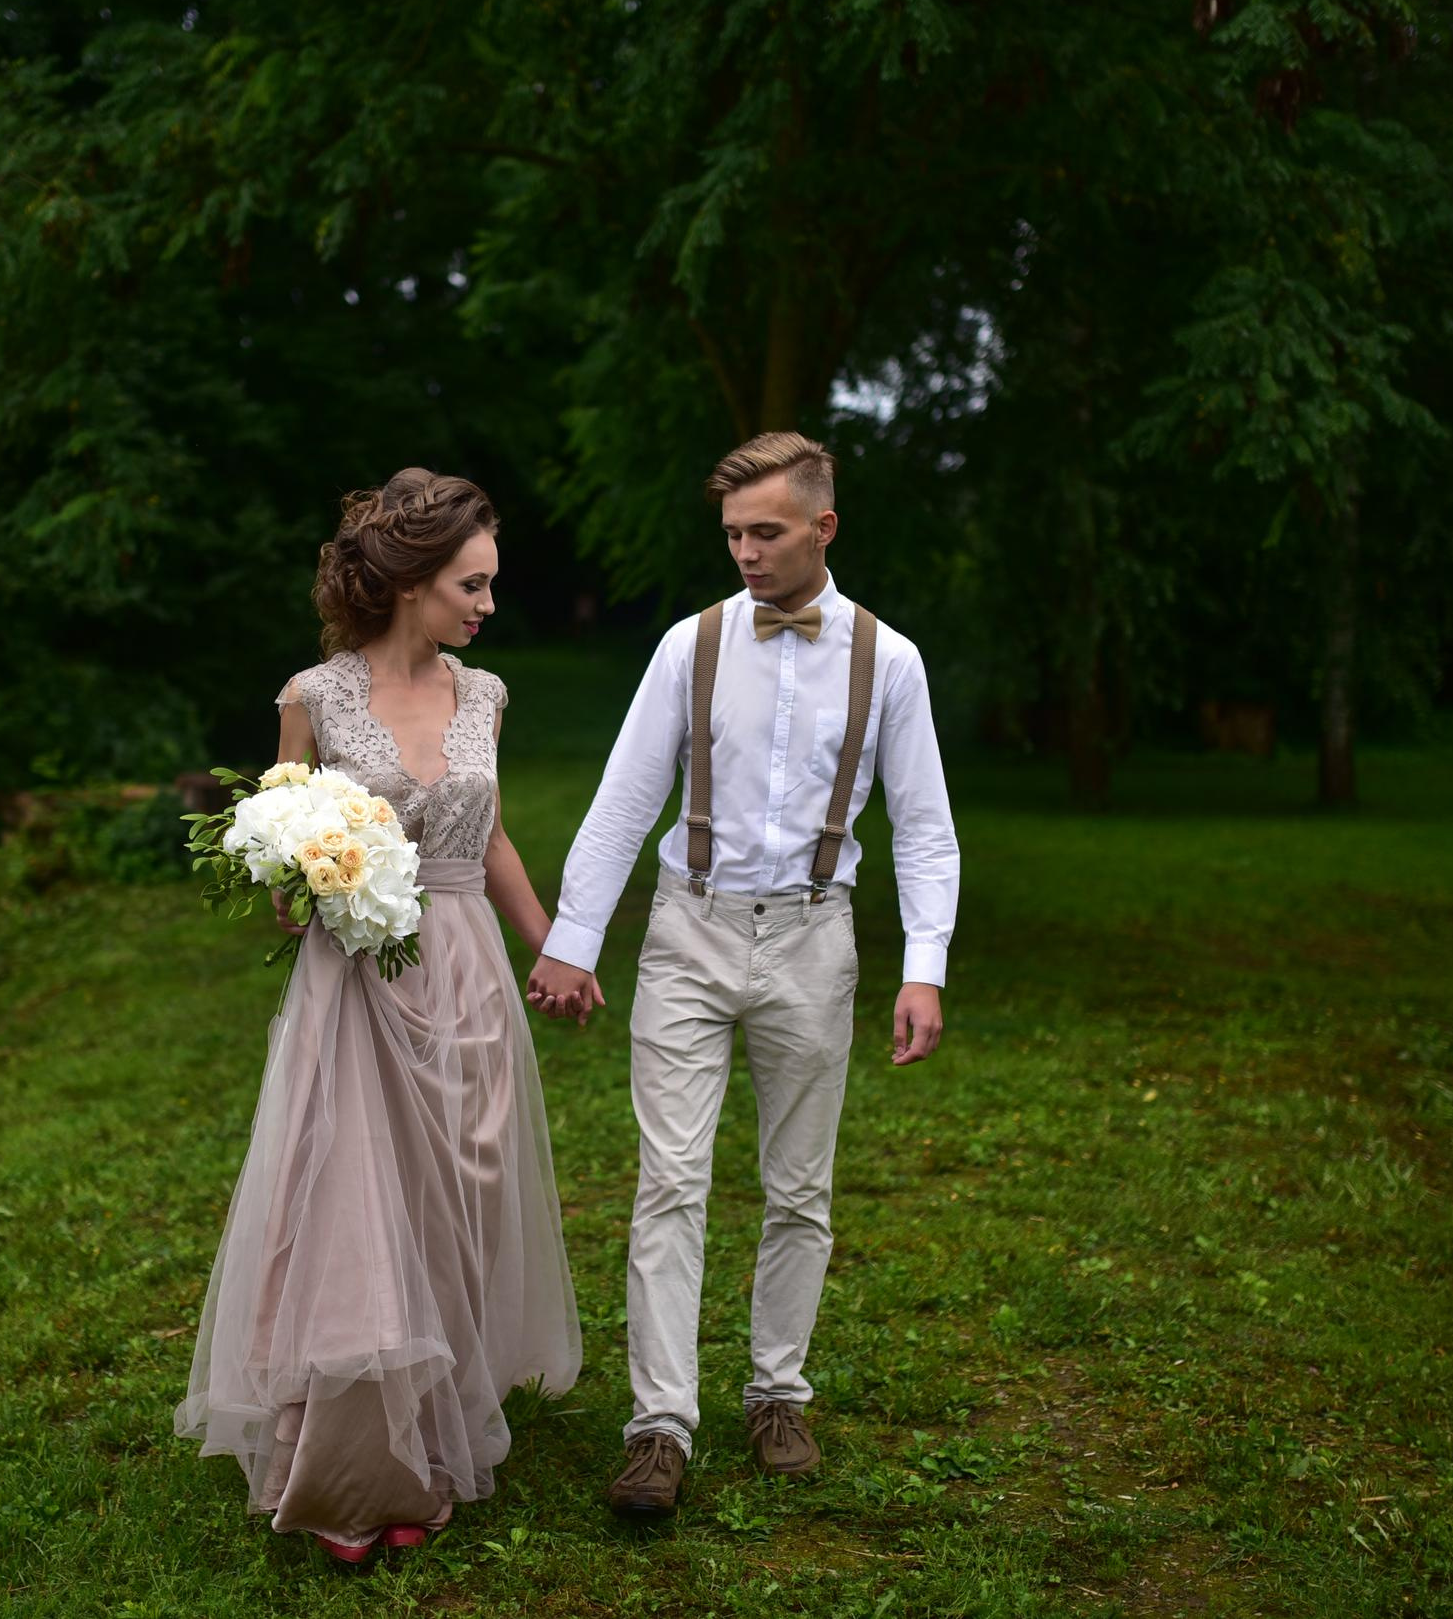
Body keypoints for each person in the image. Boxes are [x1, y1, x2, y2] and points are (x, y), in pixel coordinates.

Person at [525, 431, 959, 1520]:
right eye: (731, 534)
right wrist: (573, 934)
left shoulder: (889, 659)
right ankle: (658, 1424)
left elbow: (925, 827)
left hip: (816, 937)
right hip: (689, 930)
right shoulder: (689, 645)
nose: (745, 553)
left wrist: (925, 966)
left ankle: (777, 1391)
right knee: (668, 1180)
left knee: (798, 1185)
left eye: (765, 532)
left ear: (823, 526)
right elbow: (627, 795)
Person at [175, 468, 582, 1565]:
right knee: (360, 1208)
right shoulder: (312, 694)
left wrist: (552, 942)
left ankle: (435, 1432)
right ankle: (352, 1468)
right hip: (355, 980)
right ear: (409, 582)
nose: (488, 604)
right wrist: (302, 866)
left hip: (467, 974)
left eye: (489, 584)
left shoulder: (485, 694)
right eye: (472, 582)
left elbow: (486, 834)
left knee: (456, 1199)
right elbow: (275, 870)